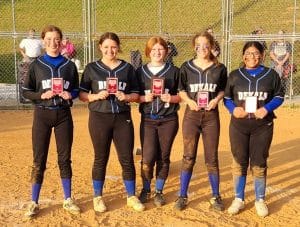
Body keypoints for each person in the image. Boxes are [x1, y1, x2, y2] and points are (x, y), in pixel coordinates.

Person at [79, 32, 145, 213]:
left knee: (126, 158)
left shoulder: (127, 68)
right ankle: (97, 197)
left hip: (122, 118)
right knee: (101, 157)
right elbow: (82, 94)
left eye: (114, 47)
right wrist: (95, 96)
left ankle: (131, 196)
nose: (110, 50)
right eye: (106, 47)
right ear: (100, 47)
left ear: (118, 47)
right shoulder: (92, 68)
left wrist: (127, 96)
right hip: (99, 117)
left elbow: (136, 94)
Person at [22, 25, 81, 218]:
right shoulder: (36, 65)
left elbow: (76, 91)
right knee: (39, 159)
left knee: (64, 158)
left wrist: (68, 93)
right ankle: (34, 201)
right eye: (48, 39)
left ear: (62, 41)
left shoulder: (68, 65)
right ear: (43, 41)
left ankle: (68, 199)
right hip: (42, 114)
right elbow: (26, 91)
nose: (53, 43)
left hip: (63, 115)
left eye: (56, 39)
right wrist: (41, 94)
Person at [224, 41, 284, 217]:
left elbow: (279, 96)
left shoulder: (270, 74)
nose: (252, 57)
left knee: (259, 162)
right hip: (239, 125)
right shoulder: (235, 75)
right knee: (239, 161)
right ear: (243, 56)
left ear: (262, 55)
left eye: (256, 53)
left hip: (262, 126)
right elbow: (227, 98)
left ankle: (259, 199)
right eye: (248, 53)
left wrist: (266, 108)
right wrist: (233, 109)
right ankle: (238, 198)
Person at [174, 31, 227, 211]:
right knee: (188, 156)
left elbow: (222, 90)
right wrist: (189, 101)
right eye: (199, 45)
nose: (203, 48)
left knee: (211, 158)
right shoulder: (186, 67)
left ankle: (216, 195)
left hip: (211, 116)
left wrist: (215, 100)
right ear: (194, 47)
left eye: (206, 45)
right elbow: (181, 90)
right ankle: (182, 195)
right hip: (192, 115)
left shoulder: (219, 67)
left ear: (211, 46)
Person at [136, 37, 180, 207]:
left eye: (160, 49)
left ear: (166, 52)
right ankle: (146, 189)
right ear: (148, 52)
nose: (157, 53)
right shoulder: (140, 72)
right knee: (147, 158)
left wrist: (172, 98)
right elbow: (133, 95)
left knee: (163, 156)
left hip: (168, 119)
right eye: (153, 49)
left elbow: (182, 95)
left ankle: (159, 191)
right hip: (148, 119)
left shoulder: (174, 71)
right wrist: (142, 98)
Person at [18, 29, 44, 104]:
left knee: (38, 76)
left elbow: (44, 48)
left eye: (33, 33)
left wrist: (41, 55)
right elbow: (20, 48)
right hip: (28, 59)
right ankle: (26, 97)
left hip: (37, 59)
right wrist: (24, 55)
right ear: (28, 33)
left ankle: (38, 95)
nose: (32, 34)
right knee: (26, 75)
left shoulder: (38, 41)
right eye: (30, 33)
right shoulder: (25, 40)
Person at [269, 30, 292, 94]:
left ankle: (285, 92)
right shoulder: (273, 43)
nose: (280, 35)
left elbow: (288, 54)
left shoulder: (287, 44)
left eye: (282, 34)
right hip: (275, 63)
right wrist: (278, 62)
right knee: (274, 76)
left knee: (286, 77)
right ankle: (274, 92)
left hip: (284, 62)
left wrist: (282, 62)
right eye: (279, 34)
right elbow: (271, 54)